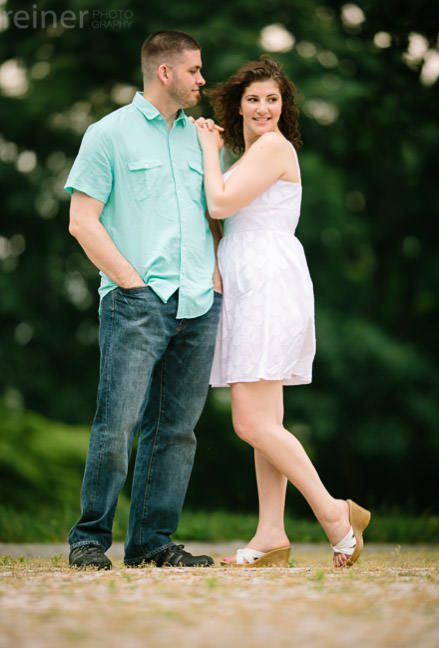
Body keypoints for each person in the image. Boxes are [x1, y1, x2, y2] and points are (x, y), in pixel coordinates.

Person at [195, 57, 370, 568]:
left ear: (283, 106)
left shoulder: (272, 147)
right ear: (238, 105)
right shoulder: (249, 154)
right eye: (254, 99)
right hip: (252, 279)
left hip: (267, 282)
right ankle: (271, 533)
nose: (264, 108)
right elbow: (221, 218)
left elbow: (221, 203)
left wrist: (207, 150)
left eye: (273, 99)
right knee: (266, 420)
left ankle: (336, 514)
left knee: (250, 423)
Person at [65, 31, 222, 569]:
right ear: (165, 72)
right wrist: (130, 282)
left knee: (176, 434)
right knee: (117, 425)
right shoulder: (107, 135)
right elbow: (81, 221)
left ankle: (152, 544)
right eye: (196, 70)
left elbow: (216, 214)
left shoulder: (202, 139)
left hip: (198, 303)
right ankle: (89, 539)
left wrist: (216, 279)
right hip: (135, 301)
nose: (203, 80)